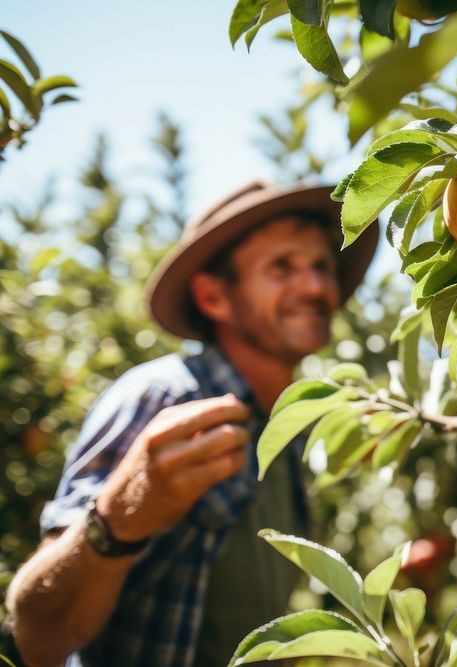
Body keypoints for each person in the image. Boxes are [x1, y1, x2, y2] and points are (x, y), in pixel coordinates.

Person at [4, 181, 379, 667]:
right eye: (281, 266)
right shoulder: (167, 399)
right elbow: (38, 637)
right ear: (213, 297)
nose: (315, 286)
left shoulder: (284, 431)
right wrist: (115, 520)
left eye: (322, 265)